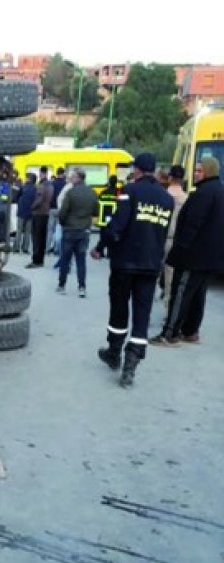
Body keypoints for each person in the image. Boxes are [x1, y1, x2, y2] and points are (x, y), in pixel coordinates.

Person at [92, 152, 174, 387]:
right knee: (142, 313)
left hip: (125, 263)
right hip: (150, 265)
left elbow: (117, 226)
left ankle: (114, 352)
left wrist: (100, 246)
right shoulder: (166, 199)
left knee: (119, 308)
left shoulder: (131, 191)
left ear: (137, 169)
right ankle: (131, 364)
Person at [150, 157, 224, 347]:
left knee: (180, 292)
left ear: (208, 171)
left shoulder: (203, 194)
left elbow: (192, 225)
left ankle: (169, 333)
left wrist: (180, 250)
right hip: (211, 256)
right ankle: (191, 331)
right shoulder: (219, 191)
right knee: (198, 294)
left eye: (199, 170)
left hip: (193, 255)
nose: (195, 173)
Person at [55, 169, 98, 297]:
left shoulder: (70, 193)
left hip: (69, 230)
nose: (71, 179)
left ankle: (62, 285)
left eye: (73, 177)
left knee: (65, 259)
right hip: (84, 231)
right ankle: (82, 287)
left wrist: (63, 223)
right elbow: (96, 211)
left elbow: (63, 211)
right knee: (81, 260)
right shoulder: (92, 193)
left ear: (78, 178)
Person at [159, 165, 188, 308]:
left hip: (158, 239)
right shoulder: (186, 199)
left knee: (151, 275)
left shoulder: (161, 195)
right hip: (174, 241)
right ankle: (168, 309)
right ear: (182, 180)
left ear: (170, 178)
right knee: (171, 278)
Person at [27, 167, 53, 268]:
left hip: (38, 214)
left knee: (36, 238)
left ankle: (35, 261)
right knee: (43, 238)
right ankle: (41, 260)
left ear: (42, 174)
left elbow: (39, 200)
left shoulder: (41, 185)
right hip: (46, 213)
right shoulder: (50, 185)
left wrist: (32, 207)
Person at [14, 172, 36, 254]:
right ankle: (25, 248)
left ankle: (16, 247)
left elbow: (16, 198)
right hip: (31, 212)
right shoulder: (35, 189)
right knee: (27, 231)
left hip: (21, 212)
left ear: (28, 179)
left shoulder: (22, 187)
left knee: (19, 230)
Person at [47, 167, 67, 254]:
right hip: (61, 209)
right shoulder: (66, 184)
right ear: (63, 174)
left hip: (51, 209)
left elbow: (49, 195)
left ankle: (47, 248)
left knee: (50, 229)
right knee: (59, 229)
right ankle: (56, 249)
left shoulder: (52, 183)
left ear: (57, 173)